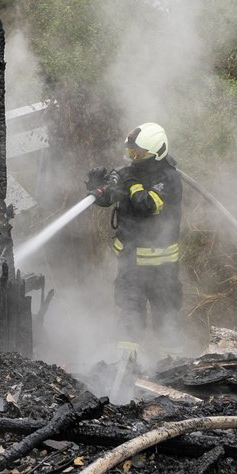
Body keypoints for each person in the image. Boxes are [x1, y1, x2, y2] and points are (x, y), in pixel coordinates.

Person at [86, 122, 184, 331]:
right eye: (131, 151)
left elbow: (146, 205)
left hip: (161, 267)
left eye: (139, 154)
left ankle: (174, 361)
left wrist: (131, 183)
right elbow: (110, 198)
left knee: (165, 319)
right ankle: (126, 363)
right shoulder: (131, 174)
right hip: (130, 265)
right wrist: (96, 187)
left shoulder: (168, 178)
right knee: (130, 317)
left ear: (156, 152)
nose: (133, 158)